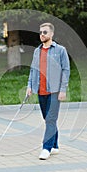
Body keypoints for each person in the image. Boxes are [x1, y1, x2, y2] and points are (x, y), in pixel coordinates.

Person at [26, 23, 70, 160]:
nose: (42, 35)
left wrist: (63, 89)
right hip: (41, 90)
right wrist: (29, 86)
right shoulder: (37, 51)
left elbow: (66, 70)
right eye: (40, 32)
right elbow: (33, 70)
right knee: (48, 119)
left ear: (51, 34)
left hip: (55, 91)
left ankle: (46, 148)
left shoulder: (60, 50)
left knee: (51, 119)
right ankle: (55, 145)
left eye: (45, 32)